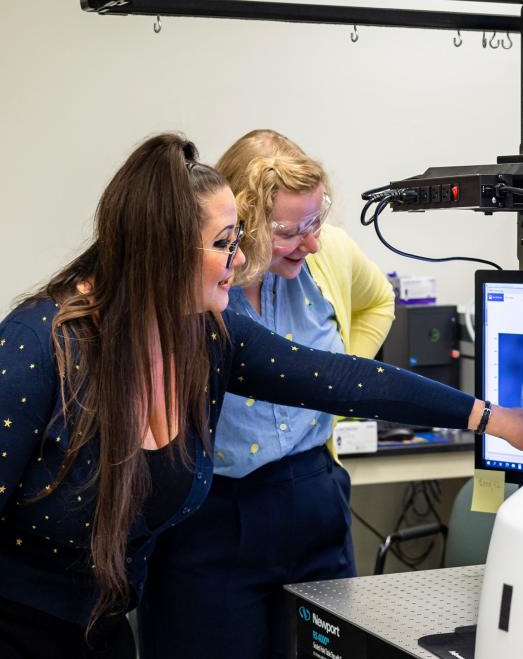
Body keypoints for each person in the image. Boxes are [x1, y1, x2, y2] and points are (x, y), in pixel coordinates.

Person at [0, 133, 523, 659]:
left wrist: (493, 416)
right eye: (227, 241)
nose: (241, 259)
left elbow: (339, 377)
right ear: (164, 250)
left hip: (85, 599)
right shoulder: (42, 343)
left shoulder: (212, 335)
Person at [138, 131, 396, 658]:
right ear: (243, 224)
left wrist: (339, 378)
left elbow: (378, 303)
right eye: (289, 230)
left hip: (312, 496)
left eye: (316, 221)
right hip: (211, 517)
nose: (312, 242)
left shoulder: (331, 258)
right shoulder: (196, 281)